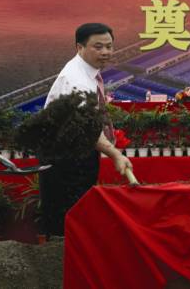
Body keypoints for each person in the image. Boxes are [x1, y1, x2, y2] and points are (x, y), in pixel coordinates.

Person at [41, 22, 132, 236]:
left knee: (78, 214)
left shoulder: (86, 72)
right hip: (65, 158)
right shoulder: (76, 80)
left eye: (109, 46)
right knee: (67, 218)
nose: (105, 52)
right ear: (79, 47)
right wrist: (115, 155)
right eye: (98, 47)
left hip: (77, 151)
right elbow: (87, 127)